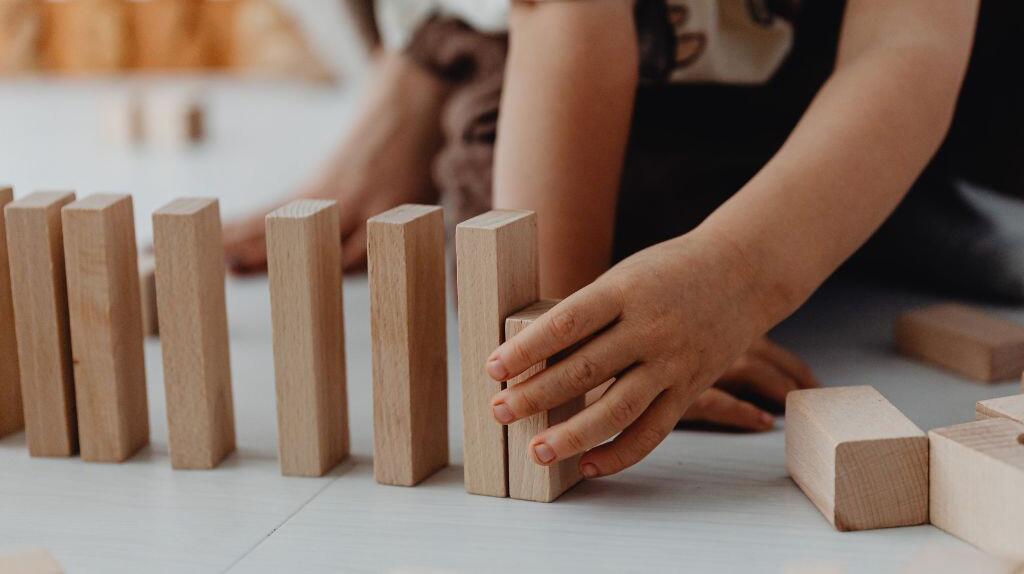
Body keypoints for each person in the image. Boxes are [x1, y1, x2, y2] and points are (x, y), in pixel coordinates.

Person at [226, 1, 1022, 478]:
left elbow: (906, 44)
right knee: (515, 213)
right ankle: (440, 52)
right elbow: (568, 20)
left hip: (823, 50)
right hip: (594, 50)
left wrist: (740, 273)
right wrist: (570, 337)